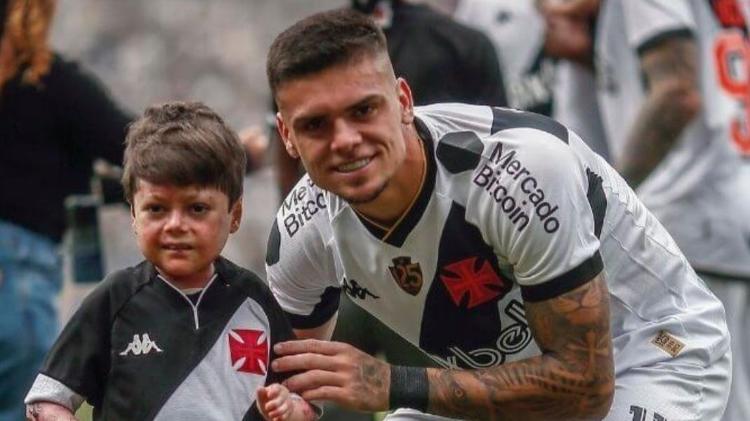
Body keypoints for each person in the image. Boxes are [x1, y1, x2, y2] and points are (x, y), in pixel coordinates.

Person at [263, 9, 730, 420]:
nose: (345, 139)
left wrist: (391, 384)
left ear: (403, 101)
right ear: (286, 134)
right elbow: (286, 385)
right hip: (502, 385)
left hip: (651, 356)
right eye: (315, 125)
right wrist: (299, 405)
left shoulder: (521, 173)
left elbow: (585, 389)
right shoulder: (298, 236)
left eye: (363, 110)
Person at [23, 101, 319, 421]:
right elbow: (47, 400)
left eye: (196, 208)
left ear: (234, 215)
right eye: (157, 209)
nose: (175, 225)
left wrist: (290, 407)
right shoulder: (113, 301)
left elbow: (306, 400)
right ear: (134, 214)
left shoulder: (254, 300)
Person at [540, 1, 750, 419]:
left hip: (692, 214)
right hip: (731, 200)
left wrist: (609, 200)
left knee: (711, 402)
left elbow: (678, 93)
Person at [0, 0, 134, 419]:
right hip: (16, 274)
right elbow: (141, 148)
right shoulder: (51, 85)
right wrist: (225, 153)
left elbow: (49, 180)